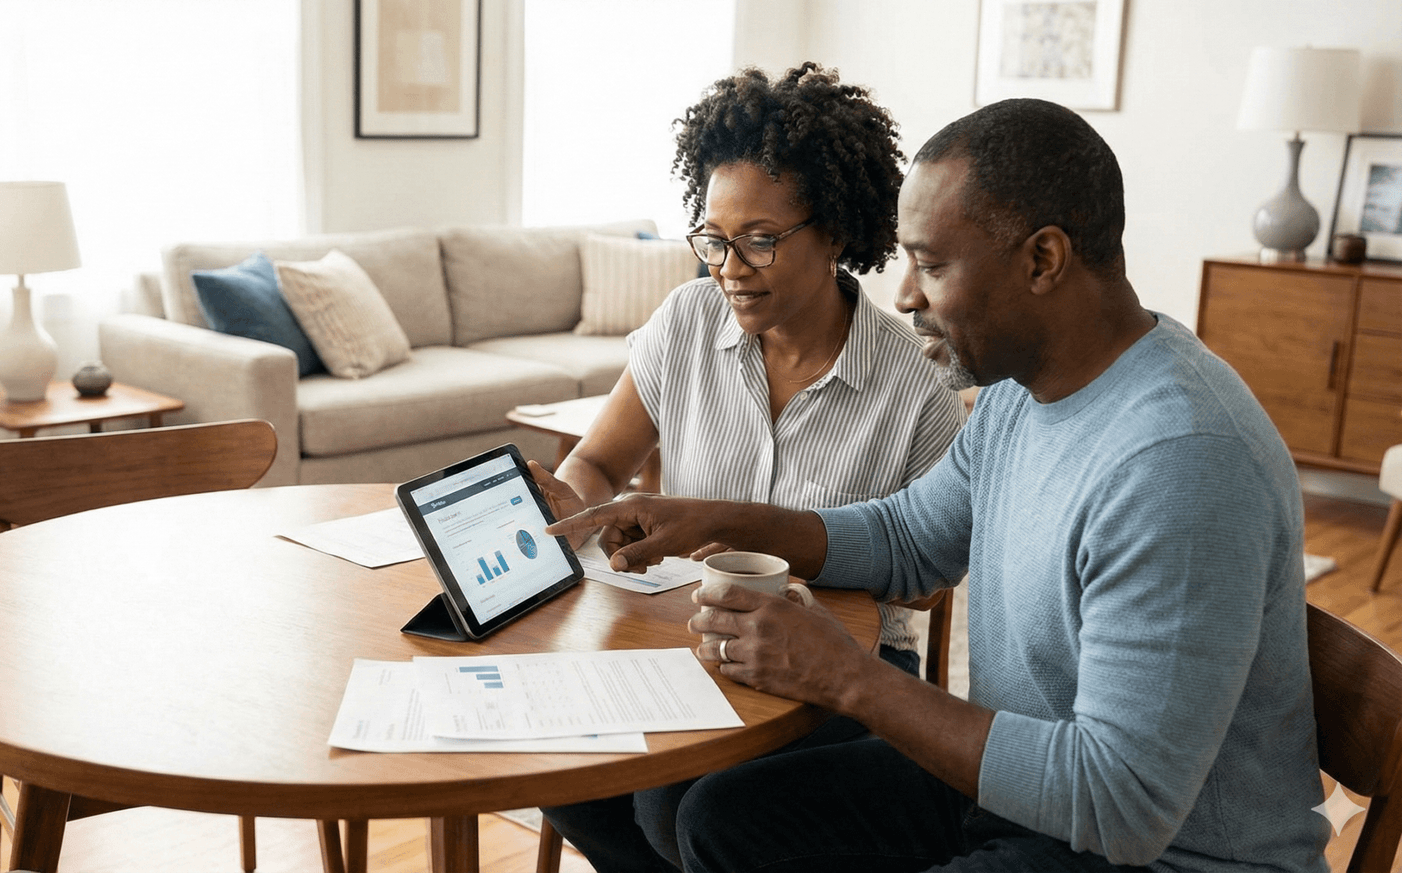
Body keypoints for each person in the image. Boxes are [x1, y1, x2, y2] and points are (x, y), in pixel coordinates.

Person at [550, 97, 1329, 872]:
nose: (905, 295)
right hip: (1023, 794)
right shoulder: (1024, 392)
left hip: (1150, 852)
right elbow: (906, 540)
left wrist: (844, 673)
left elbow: (1119, 804)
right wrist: (715, 519)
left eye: (932, 263)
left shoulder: (1179, 460)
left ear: (1042, 260)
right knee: (723, 819)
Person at [531, 63, 968, 872]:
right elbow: (599, 458)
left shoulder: (914, 386)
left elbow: (928, 580)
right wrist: (574, 499)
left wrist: (802, 563)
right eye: (713, 238)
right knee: (561, 764)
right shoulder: (686, 323)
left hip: (840, 660)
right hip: (677, 639)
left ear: (835, 230)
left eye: (760, 239)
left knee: (676, 803)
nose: (728, 265)